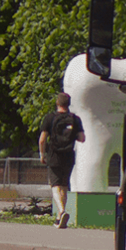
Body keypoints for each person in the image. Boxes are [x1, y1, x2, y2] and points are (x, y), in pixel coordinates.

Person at [37, 93, 85, 229]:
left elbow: (42, 139)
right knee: (64, 185)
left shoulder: (50, 118)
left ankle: (62, 211)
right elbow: (82, 138)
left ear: (57, 103)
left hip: (54, 155)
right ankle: (59, 218)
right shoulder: (75, 119)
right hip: (69, 155)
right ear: (68, 104)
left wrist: (42, 154)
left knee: (55, 185)